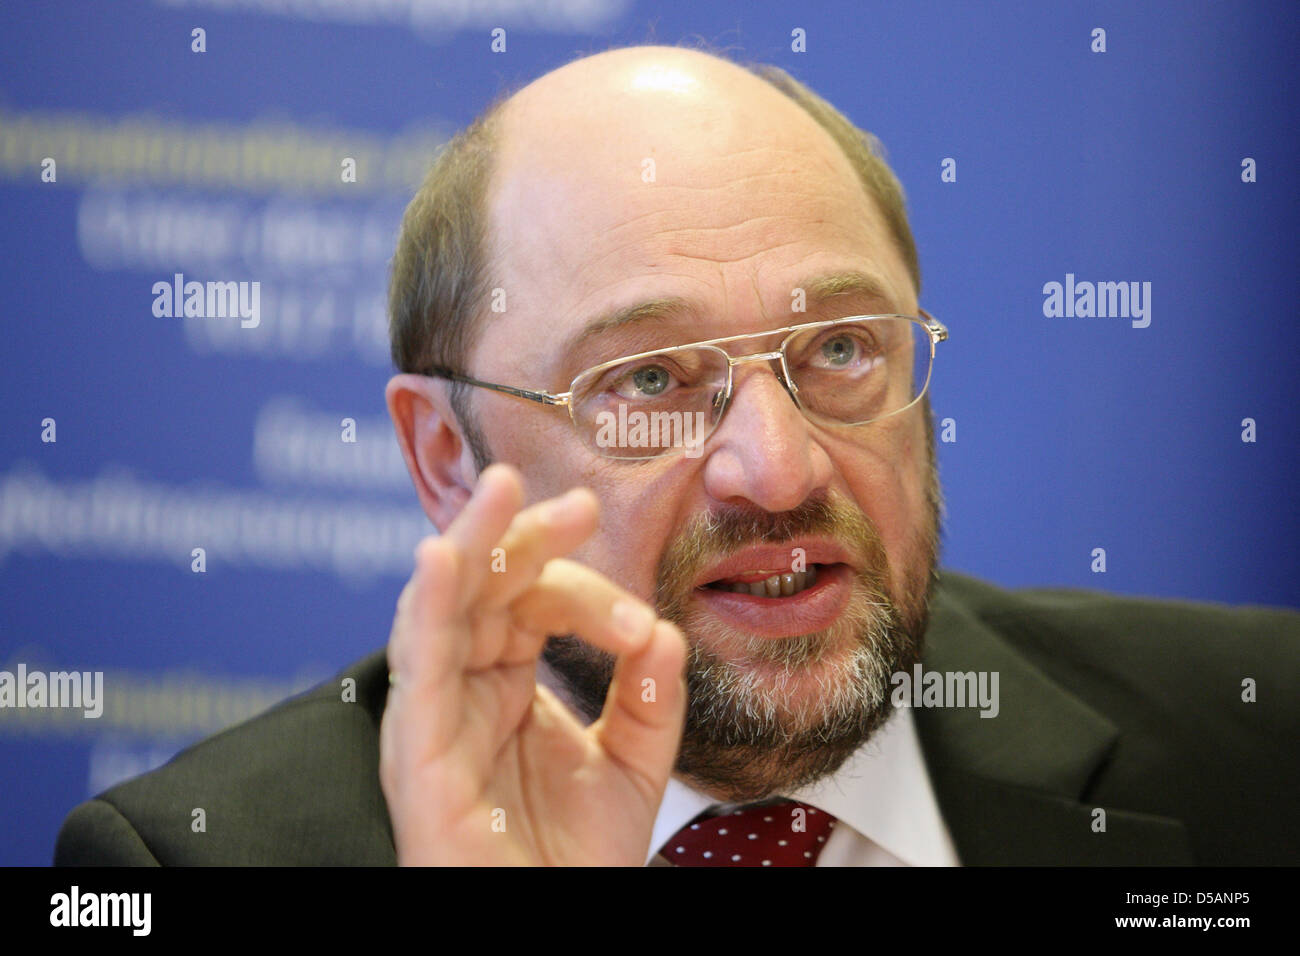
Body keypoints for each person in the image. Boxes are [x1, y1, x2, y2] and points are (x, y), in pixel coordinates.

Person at [55, 44, 1298, 867]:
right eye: (648, 381)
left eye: (839, 349)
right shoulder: (184, 858)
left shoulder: (1256, 738)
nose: (777, 467)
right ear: (447, 457)